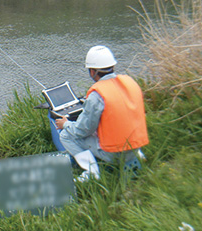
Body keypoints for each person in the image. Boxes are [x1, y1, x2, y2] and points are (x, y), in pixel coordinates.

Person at [55, 45, 149, 181]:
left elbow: (81, 131)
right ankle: (138, 156)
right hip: (135, 147)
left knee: (66, 135)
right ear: (112, 66)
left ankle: (91, 171)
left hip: (115, 153)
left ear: (92, 71)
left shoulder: (97, 95)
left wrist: (66, 124)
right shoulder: (130, 82)